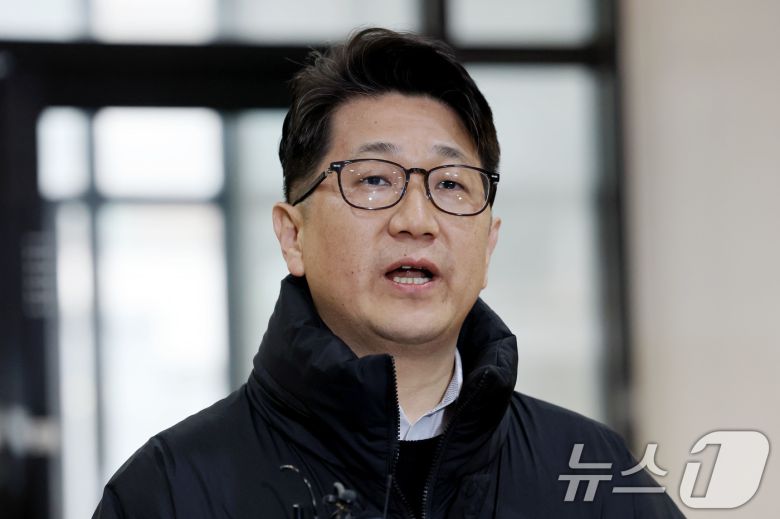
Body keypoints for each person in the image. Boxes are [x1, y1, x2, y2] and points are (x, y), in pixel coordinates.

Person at [93, 28, 685, 518]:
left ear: (489, 244)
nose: (417, 220)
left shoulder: (596, 476)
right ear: (293, 236)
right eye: (375, 179)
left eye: (450, 184)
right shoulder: (171, 490)